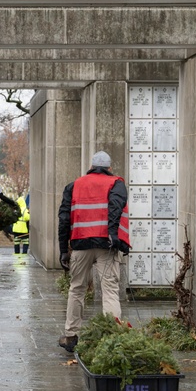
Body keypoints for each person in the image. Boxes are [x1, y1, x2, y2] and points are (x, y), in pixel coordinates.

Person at [57, 151, 130, 353]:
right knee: (109, 290)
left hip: (80, 245)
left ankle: (71, 336)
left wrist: (64, 250)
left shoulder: (74, 185)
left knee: (77, 288)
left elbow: (64, 219)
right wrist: (113, 235)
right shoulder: (116, 184)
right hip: (106, 246)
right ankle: (112, 336)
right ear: (109, 168)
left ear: (91, 166)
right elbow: (116, 206)